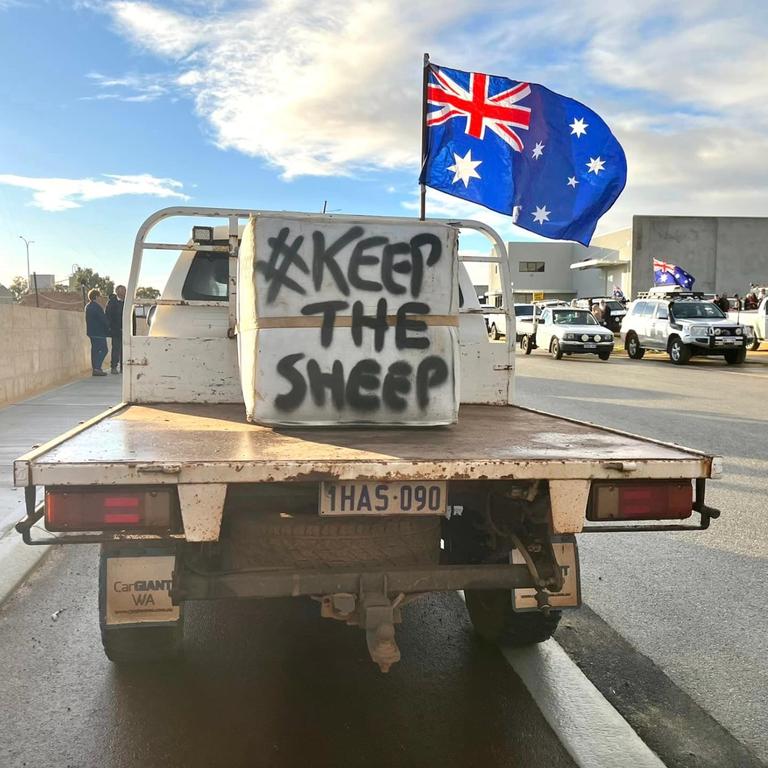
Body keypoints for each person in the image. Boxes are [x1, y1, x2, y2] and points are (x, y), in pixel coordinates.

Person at [85, 288, 109, 376]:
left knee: (95, 351)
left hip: (91, 332)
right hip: (99, 332)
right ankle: (97, 368)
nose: (100, 298)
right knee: (104, 349)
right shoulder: (97, 307)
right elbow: (103, 319)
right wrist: (108, 327)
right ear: (96, 297)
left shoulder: (88, 306)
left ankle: (95, 368)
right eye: (99, 296)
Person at [106, 284, 126, 374]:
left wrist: (133, 330)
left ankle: (124, 367)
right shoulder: (112, 302)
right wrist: (110, 328)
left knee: (125, 350)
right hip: (116, 331)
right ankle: (114, 367)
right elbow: (108, 316)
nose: (123, 292)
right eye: (121, 290)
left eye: (124, 290)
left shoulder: (128, 302)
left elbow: (132, 317)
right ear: (117, 292)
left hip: (126, 331)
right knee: (116, 349)